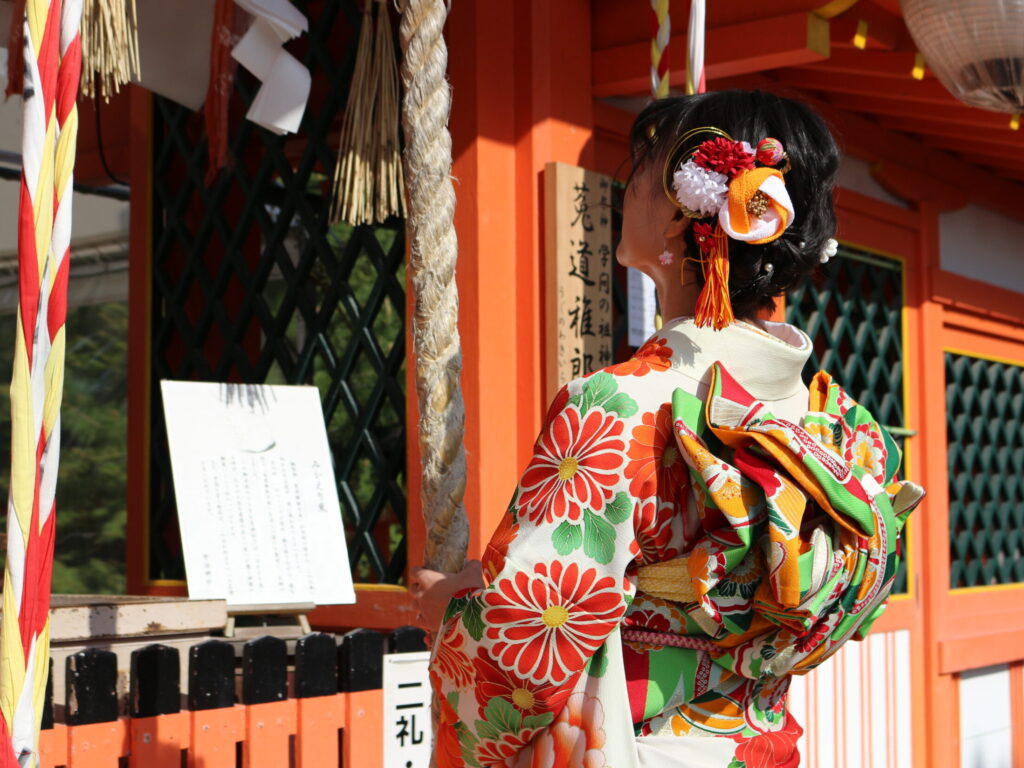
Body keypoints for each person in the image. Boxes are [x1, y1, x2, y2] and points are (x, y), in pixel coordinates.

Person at [410, 89, 924, 768]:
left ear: (687, 222)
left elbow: (521, 653)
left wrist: (450, 610)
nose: (629, 186)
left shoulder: (621, 405)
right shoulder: (834, 422)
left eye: (644, 167)